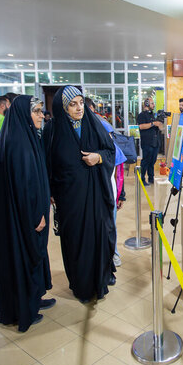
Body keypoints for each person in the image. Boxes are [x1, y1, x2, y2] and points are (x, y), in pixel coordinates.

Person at [44, 86, 116, 303]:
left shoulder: (93, 124)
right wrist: (50, 191)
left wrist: (98, 158)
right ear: (63, 107)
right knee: (75, 240)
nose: (78, 108)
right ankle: (81, 284)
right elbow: (46, 164)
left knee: (99, 235)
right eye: (72, 104)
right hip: (69, 199)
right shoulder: (52, 130)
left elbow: (110, 150)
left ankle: (101, 277)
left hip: (95, 194)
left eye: (80, 102)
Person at [0, 95, 54, 331]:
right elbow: (24, 185)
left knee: (35, 257)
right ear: (23, 114)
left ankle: (34, 298)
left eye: (41, 111)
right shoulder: (19, 142)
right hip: (26, 217)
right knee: (27, 257)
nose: (41, 115)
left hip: (30, 212)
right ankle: (25, 309)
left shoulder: (24, 136)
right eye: (37, 111)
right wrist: (35, 215)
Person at [86, 97, 127, 268]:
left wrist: (121, 194)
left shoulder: (102, 125)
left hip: (109, 185)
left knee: (110, 222)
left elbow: (118, 166)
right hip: (92, 188)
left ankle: (113, 254)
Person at [137, 97, 162, 185]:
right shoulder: (142, 115)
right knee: (145, 161)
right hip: (147, 142)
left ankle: (151, 178)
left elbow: (158, 127)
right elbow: (141, 126)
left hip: (155, 142)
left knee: (152, 161)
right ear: (147, 104)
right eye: (152, 103)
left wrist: (159, 124)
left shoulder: (153, 115)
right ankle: (142, 179)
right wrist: (153, 124)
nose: (154, 105)